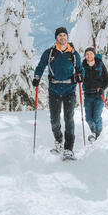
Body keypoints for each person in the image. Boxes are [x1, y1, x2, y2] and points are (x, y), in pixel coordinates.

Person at [33, 27, 83, 159]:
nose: (62, 37)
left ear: (67, 37)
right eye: (60, 35)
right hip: (54, 90)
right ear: (56, 38)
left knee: (69, 119)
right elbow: (40, 66)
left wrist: (80, 76)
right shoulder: (49, 53)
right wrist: (36, 77)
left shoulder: (73, 54)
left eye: (64, 35)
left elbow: (79, 69)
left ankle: (69, 148)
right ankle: (59, 140)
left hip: (69, 90)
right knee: (54, 120)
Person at [81, 46, 108, 141]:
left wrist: (102, 88)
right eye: (87, 54)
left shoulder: (100, 65)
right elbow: (78, 77)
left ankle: (98, 135)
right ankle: (94, 132)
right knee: (88, 119)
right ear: (85, 55)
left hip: (98, 95)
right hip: (87, 95)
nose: (89, 55)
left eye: (91, 53)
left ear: (94, 55)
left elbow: (107, 80)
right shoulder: (82, 66)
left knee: (96, 117)